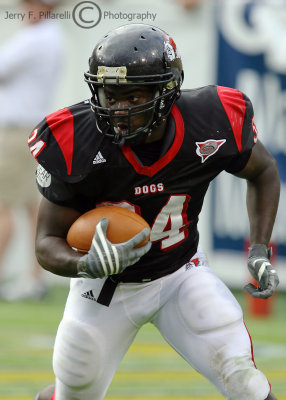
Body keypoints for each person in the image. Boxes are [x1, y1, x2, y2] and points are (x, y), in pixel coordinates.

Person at [29, 24, 280, 400]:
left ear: (166, 91)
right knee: (73, 392)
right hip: (105, 288)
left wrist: (259, 249)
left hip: (181, 273)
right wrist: (86, 265)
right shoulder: (75, 139)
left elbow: (263, 172)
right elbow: (46, 242)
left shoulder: (210, 119)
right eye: (109, 95)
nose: (117, 109)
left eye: (132, 96)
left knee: (244, 379)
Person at [0, 0, 64, 300]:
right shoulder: (51, 36)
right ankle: (34, 278)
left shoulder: (36, 37)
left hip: (15, 132)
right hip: (31, 129)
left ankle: (25, 277)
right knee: (30, 207)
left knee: (5, 208)